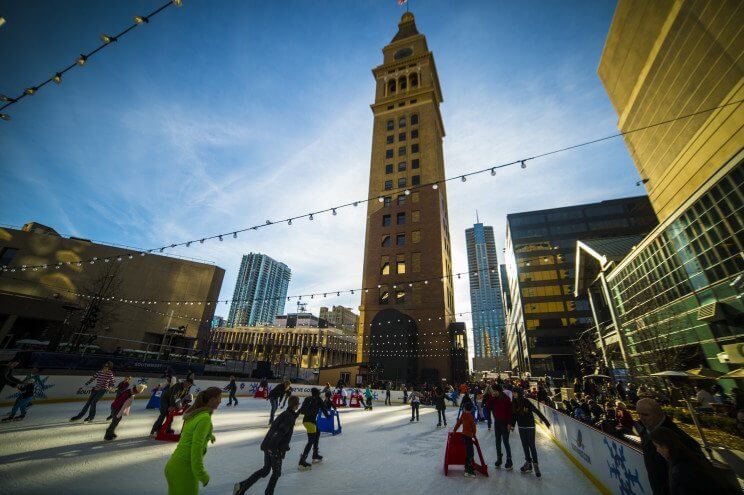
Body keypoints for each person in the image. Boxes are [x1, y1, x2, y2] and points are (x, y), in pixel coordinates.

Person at [636, 398, 704, 495]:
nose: (641, 418)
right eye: (639, 414)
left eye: (645, 415)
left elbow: (695, 472)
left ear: (658, 414)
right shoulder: (646, 431)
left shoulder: (678, 438)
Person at [234, 395, 300, 495]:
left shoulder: (286, 414)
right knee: (276, 473)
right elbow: (280, 432)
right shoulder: (289, 417)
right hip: (274, 448)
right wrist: (274, 448)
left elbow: (288, 419)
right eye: (298, 404)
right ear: (295, 405)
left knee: (265, 471)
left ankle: (241, 486)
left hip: (268, 444)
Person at [650, 426, 741, 495]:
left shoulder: (680, 470)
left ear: (665, 446)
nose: (657, 450)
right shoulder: (690, 457)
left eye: (657, 446)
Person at [164, 387, 221, 495]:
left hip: (174, 466)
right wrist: (201, 474)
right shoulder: (204, 418)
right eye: (219, 398)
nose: (220, 401)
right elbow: (196, 448)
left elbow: (189, 434)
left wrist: (209, 435)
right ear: (211, 399)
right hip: (184, 470)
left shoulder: (196, 414)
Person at [511, 387, 550, 478]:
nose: (513, 394)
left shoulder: (526, 401)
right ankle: (528, 463)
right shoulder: (514, 402)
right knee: (525, 445)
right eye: (513, 393)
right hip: (521, 426)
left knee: (531, 445)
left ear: (519, 393)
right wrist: (513, 425)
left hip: (530, 426)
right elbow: (514, 415)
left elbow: (536, 411)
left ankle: (536, 465)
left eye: (515, 393)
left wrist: (545, 421)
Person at [298, 388, 329, 470]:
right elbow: (324, 409)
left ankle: (315, 454)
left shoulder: (307, 399)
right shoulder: (318, 399)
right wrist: (328, 416)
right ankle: (302, 460)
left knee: (317, 433)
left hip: (306, 421)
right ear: (318, 393)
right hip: (310, 422)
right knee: (311, 441)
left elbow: (301, 410)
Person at [487, 384, 513, 470]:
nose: (493, 392)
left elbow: (510, 411)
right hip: (497, 422)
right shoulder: (493, 398)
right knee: (497, 441)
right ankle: (499, 458)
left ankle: (509, 460)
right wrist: (492, 397)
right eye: (492, 391)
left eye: (494, 391)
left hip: (505, 423)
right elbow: (488, 407)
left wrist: (510, 423)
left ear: (498, 391)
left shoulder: (506, 398)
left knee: (505, 441)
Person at [453, 402, 478, 478]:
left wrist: (454, 430)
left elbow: (458, 423)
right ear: (471, 409)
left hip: (464, 436)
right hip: (468, 436)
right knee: (470, 453)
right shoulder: (470, 416)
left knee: (468, 453)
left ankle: (467, 468)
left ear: (464, 408)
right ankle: (468, 470)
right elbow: (473, 427)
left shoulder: (463, 415)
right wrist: (474, 434)